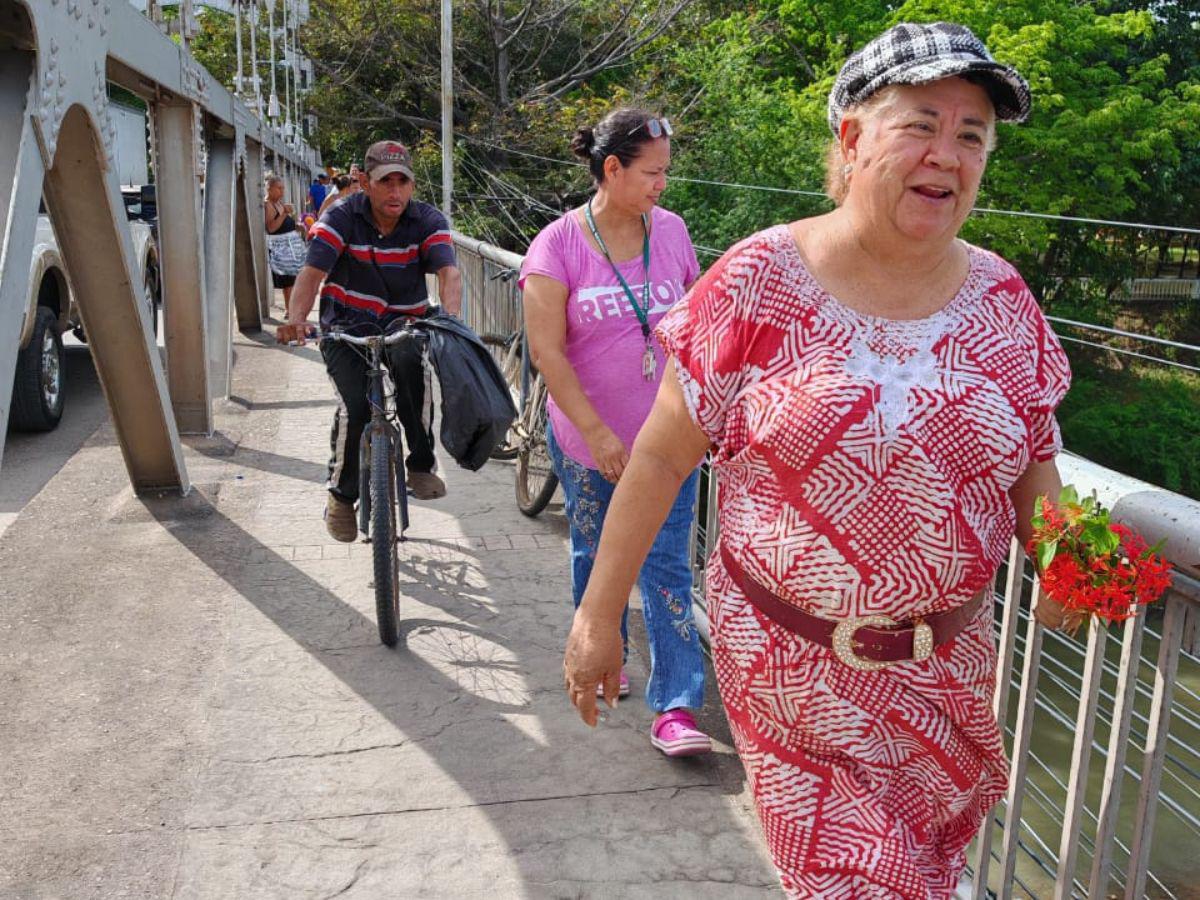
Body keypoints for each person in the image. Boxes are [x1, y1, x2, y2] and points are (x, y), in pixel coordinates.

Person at [562, 22, 1073, 898]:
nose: (946, 155)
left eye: (971, 135)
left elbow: (1031, 462)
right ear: (852, 138)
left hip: (946, 675)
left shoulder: (1002, 297)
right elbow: (657, 459)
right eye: (919, 124)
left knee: (929, 872)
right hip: (792, 670)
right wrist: (597, 617)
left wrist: (1071, 563)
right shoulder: (761, 277)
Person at [521, 108, 712, 757]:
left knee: (666, 567)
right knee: (596, 553)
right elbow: (548, 352)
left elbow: (700, 328)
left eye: (666, 171)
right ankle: (605, 653)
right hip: (587, 443)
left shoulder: (675, 232)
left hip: (669, 443)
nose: (664, 183)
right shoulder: (558, 245)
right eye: (652, 172)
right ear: (612, 169)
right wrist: (599, 434)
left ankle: (679, 704)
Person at [276, 141, 463, 541]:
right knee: (356, 407)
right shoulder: (342, 217)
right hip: (345, 323)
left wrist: (450, 320)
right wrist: (296, 320)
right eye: (385, 182)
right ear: (364, 182)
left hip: (404, 321)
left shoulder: (427, 219)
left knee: (415, 373)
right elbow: (311, 274)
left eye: (403, 182)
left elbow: (449, 273)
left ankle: (420, 463)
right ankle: (342, 498)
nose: (395, 192)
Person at [264, 175, 303, 315]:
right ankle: (289, 310)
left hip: (289, 245)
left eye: (283, 188)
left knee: (293, 279)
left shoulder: (279, 203)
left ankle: (292, 309)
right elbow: (271, 228)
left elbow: (285, 223)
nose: (282, 191)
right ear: (270, 189)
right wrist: (284, 214)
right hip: (279, 247)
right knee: (288, 281)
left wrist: (298, 226)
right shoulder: (268, 205)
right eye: (279, 188)